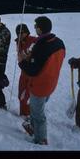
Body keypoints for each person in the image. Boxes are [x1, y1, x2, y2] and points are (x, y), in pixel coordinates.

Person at [19, 16, 65, 145]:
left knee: (38, 114)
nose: (34, 29)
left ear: (39, 29)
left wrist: (22, 62)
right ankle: (33, 127)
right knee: (35, 108)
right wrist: (32, 58)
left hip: (40, 85)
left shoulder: (41, 46)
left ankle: (41, 139)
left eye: (35, 27)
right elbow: (48, 62)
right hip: (51, 83)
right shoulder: (58, 42)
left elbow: (33, 70)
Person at [15, 24, 37, 117]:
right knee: (20, 95)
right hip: (23, 72)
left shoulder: (33, 40)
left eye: (22, 32)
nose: (19, 34)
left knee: (26, 96)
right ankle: (22, 113)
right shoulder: (19, 42)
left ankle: (27, 115)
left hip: (31, 74)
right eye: (17, 33)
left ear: (26, 32)